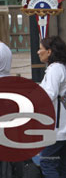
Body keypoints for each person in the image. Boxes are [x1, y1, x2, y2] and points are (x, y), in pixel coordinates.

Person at [38, 35, 66, 177]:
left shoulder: (54, 69)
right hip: (61, 127)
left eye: (41, 49)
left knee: (47, 162)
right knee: (60, 165)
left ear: (49, 52)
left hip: (56, 128)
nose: (38, 52)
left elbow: (50, 94)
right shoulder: (61, 67)